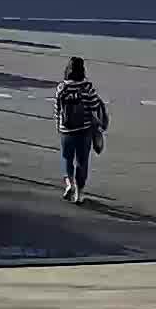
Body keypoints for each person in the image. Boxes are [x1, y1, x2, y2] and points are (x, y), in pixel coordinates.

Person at [52, 56, 108, 204]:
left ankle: (69, 183)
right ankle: (79, 193)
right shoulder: (86, 87)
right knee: (82, 161)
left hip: (67, 130)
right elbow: (94, 105)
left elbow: (57, 109)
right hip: (84, 130)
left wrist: (59, 126)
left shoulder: (61, 88)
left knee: (67, 158)